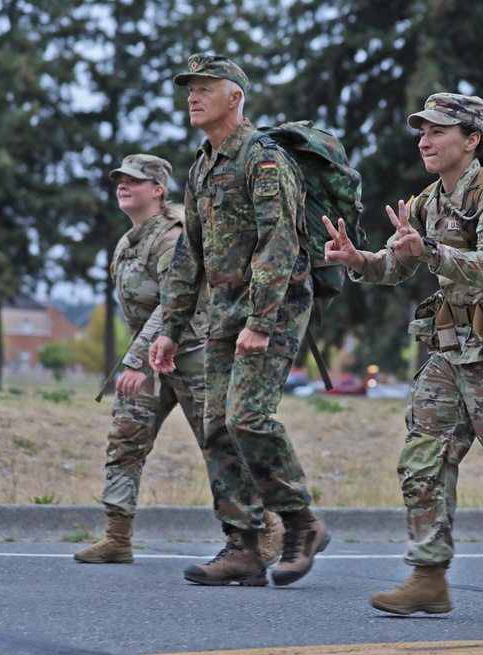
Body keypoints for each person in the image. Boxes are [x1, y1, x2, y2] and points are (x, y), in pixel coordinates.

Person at [322, 93, 483, 623]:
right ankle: (428, 576)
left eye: (437, 131)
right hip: (450, 351)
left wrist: (431, 253)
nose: (425, 140)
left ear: (472, 139)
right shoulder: (428, 201)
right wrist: (357, 260)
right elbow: (396, 262)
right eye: (422, 131)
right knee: (423, 458)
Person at [149, 54, 328, 587]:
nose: (193, 97)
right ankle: (244, 545)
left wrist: (261, 321)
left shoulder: (263, 159)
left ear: (236, 97)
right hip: (224, 312)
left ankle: (301, 524)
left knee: (248, 418)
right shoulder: (202, 166)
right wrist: (170, 328)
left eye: (206, 88)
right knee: (217, 428)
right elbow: (190, 257)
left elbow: (281, 243)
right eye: (189, 89)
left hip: (273, 308)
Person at [75, 154, 284, 565]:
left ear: (157, 189)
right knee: (125, 439)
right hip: (153, 355)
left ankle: (268, 525)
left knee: (220, 446)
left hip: (192, 355)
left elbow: (172, 304)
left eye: (133, 181)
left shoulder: (172, 237)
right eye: (120, 179)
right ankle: (117, 538)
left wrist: (136, 361)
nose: (122, 185)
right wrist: (142, 356)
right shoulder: (129, 240)